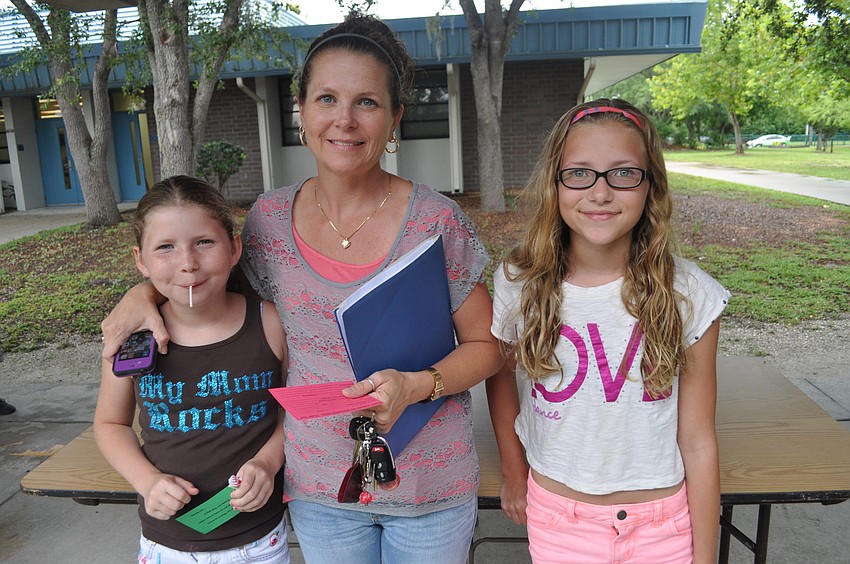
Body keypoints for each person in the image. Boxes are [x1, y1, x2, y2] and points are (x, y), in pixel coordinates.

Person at [102, 13, 502, 564]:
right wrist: (140, 295)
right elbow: (207, 288)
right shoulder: (268, 220)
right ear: (302, 111)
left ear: (394, 121)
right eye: (327, 99)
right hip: (319, 483)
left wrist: (418, 385)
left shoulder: (437, 223)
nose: (345, 120)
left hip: (429, 485)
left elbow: (489, 348)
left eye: (367, 102)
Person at [488, 99, 730, 563]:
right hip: (559, 523)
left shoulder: (690, 293)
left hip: (663, 527)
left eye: (623, 173)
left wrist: (705, 559)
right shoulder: (519, 281)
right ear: (554, 184)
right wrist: (513, 468)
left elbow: (699, 440)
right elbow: (499, 375)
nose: (600, 193)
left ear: (650, 185)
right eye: (579, 173)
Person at [94, 176, 289, 563]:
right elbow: (110, 424)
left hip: (260, 542)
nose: (187, 263)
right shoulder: (130, 337)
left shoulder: (270, 322)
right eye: (165, 247)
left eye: (204, 242)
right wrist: (146, 482)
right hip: (166, 544)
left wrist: (268, 462)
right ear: (140, 261)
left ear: (234, 248)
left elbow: (292, 410)